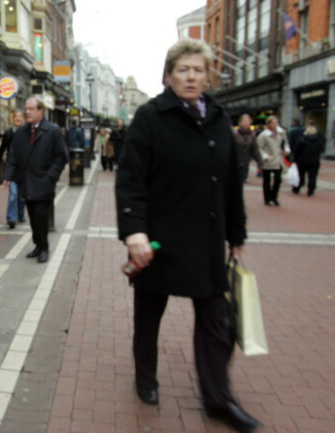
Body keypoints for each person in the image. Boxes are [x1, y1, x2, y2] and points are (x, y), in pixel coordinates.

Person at [115, 39, 260, 432]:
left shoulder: (217, 116)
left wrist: (237, 231)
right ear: (168, 75)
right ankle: (146, 379)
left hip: (207, 239)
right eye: (183, 69)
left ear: (207, 76)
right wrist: (134, 232)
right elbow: (130, 180)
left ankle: (219, 399)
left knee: (217, 322)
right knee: (148, 317)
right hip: (158, 241)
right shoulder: (149, 117)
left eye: (198, 70)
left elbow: (230, 180)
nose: (191, 76)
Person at [4, 96, 68, 263]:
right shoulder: (21, 132)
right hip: (26, 182)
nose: (27, 112)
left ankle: (44, 247)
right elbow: (13, 155)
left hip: (43, 183)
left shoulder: (52, 131)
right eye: (26, 109)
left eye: (31, 109)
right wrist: (8, 176)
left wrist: (51, 177)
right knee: (32, 216)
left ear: (41, 111)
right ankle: (38, 245)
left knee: (41, 216)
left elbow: (61, 157)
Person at [0, 109, 26, 228]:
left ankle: (21, 215)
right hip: (11, 168)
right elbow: (2, 149)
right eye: (16, 116)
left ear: (23, 119)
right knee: (13, 194)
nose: (18, 118)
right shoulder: (8, 133)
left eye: (20, 116)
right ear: (13, 119)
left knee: (22, 197)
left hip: (23, 169)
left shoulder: (26, 132)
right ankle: (11, 218)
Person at [256, 115, 288, 206]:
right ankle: (267, 198)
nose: (275, 124)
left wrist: (286, 150)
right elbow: (259, 147)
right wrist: (264, 156)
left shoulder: (281, 133)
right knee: (267, 180)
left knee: (278, 179)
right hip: (268, 160)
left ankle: (274, 197)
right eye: (273, 122)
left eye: (276, 122)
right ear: (268, 124)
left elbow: (285, 143)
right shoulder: (263, 135)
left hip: (278, 159)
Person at [292, 121, 325, 196]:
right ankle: (311, 191)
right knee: (312, 176)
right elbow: (321, 150)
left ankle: (297, 188)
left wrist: (295, 159)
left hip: (302, 161)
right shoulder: (318, 141)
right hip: (314, 161)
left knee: (300, 175)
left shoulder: (302, 140)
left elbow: (297, 151)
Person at [234, 113, 261, 184]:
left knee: (242, 181)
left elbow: (255, 150)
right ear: (240, 122)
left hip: (245, 163)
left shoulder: (252, 135)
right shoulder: (235, 134)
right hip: (234, 162)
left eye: (248, 121)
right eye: (244, 121)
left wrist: (260, 162)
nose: (246, 123)